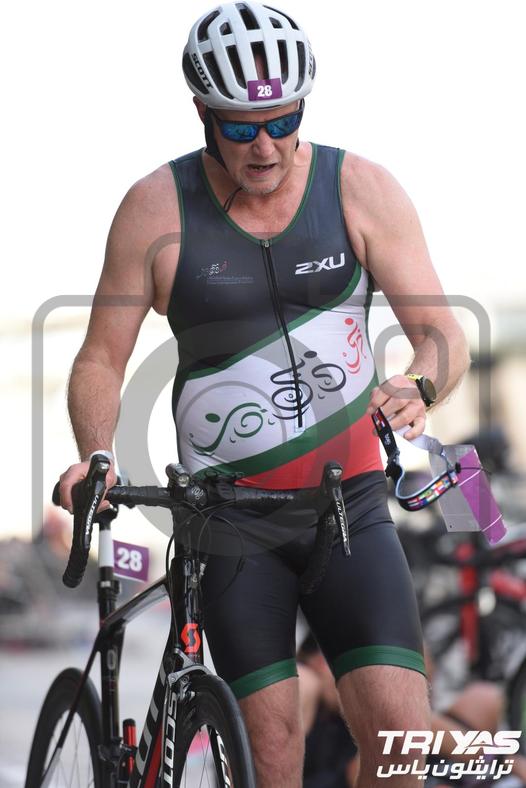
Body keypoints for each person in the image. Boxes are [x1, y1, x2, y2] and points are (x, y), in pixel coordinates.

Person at [57, 2, 470, 785]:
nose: (266, 146)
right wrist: (95, 454)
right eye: (242, 128)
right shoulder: (155, 208)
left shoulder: (360, 189)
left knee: (401, 750)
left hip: (349, 506)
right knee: (271, 756)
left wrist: (420, 383)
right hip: (229, 522)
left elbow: (442, 331)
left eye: (283, 122)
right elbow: (101, 358)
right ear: (202, 114)